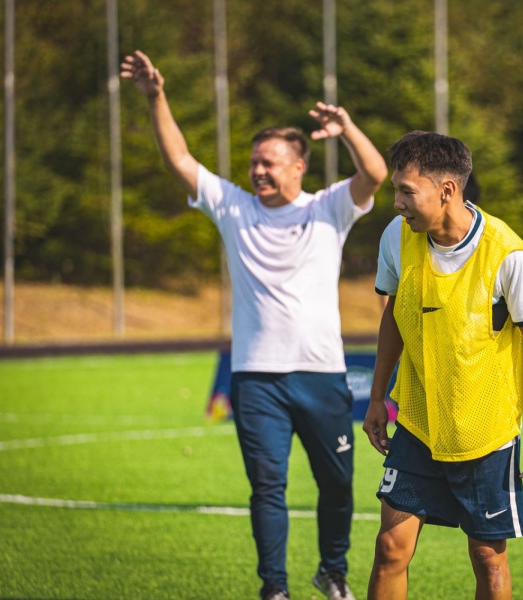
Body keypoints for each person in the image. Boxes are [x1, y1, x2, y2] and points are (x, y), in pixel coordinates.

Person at [121, 50, 387, 600]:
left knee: (337, 485)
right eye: (253, 163)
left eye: (269, 162)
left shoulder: (328, 208)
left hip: (321, 375)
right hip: (256, 378)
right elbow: (179, 158)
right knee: (267, 487)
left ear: (298, 167)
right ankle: (274, 589)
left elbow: (376, 174)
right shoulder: (234, 207)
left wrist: (345, 128)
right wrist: (156, 96)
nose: (258, 171)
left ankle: (332, 571)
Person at [362, 131, 523, 599]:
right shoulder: (397, 237)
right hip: (419, 424)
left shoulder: (506, 253)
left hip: (484, 433)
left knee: (488, 558)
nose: (397, 203)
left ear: (447, 190)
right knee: (390, 547)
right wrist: (376, 398)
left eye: (406, 191)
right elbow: (394, 318)